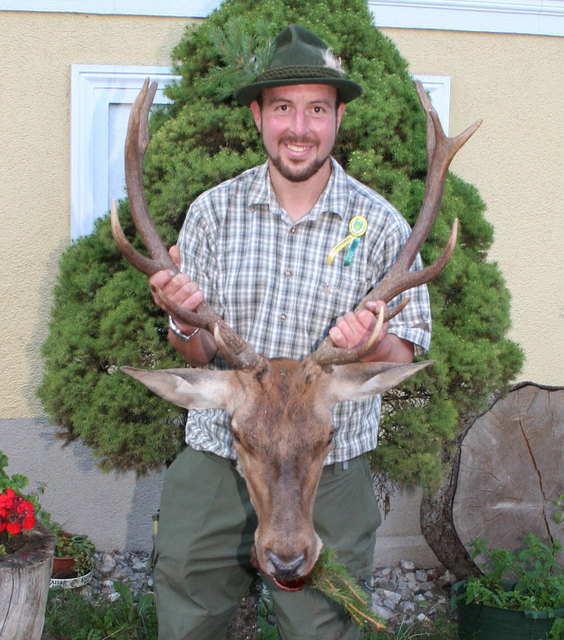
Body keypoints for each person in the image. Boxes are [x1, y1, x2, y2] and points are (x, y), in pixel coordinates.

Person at [148, 24, 431, 640]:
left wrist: (370, 342)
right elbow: (195, 352)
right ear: (258, 116)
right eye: (283, 108)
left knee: (323, 629)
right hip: (221, 452)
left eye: (316, 110)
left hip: (327, 467)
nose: (299, 127)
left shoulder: (382, 226)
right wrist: (179, 315)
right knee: (187, 615)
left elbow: (404, 352)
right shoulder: (212, 213)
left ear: (338, 118)